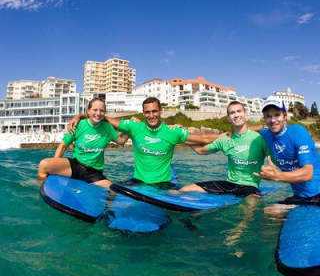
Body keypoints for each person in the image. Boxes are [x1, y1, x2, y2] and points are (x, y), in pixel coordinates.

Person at [69, 97, 222, 186]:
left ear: (160, 111)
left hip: (163, 185)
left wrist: (230, 136)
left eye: (154, 111)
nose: (151, 115)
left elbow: (204, 139)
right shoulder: (135, 127)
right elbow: (101, 116)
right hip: (138, 182)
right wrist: (80, 116)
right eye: (147, 112)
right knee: (114, 194)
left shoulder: (173, 132)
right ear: (143, 113)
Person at [177, 101, 270, 196]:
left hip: (250, 186)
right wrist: (181, 138)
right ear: (229, 118)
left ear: (245, 114)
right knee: (185, 189)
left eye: (239, 111)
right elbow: (200, 151)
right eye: (232, 113)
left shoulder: (260, 138)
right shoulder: (225, 140)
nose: (236, 115)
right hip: (229, 184)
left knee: (250, 205)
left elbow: (273, 160)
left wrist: (272, 172)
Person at [38, 98, 128, 189]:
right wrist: (55, 165)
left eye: (102, 111)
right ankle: (43, 189)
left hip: (94, 172)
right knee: (44, 165)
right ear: (88, 111)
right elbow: (63, 146)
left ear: (104, 113)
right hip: (76, 166)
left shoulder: (107, 128)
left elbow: (121, 141)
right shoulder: (78, 124)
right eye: (95, 110)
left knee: (112, 190)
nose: (98, 113)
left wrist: (131, 128)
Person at [254, 96, 320, 216]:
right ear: (264, 119)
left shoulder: (297, 132)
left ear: (285, 116)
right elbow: (258, 129)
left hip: (317, 194)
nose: (273, 120)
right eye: (268, 116)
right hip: (300, 197)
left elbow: (307, 173)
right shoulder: (267, 134)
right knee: (268, 212)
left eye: (277, 115)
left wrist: (276, 175)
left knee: (272, 212)